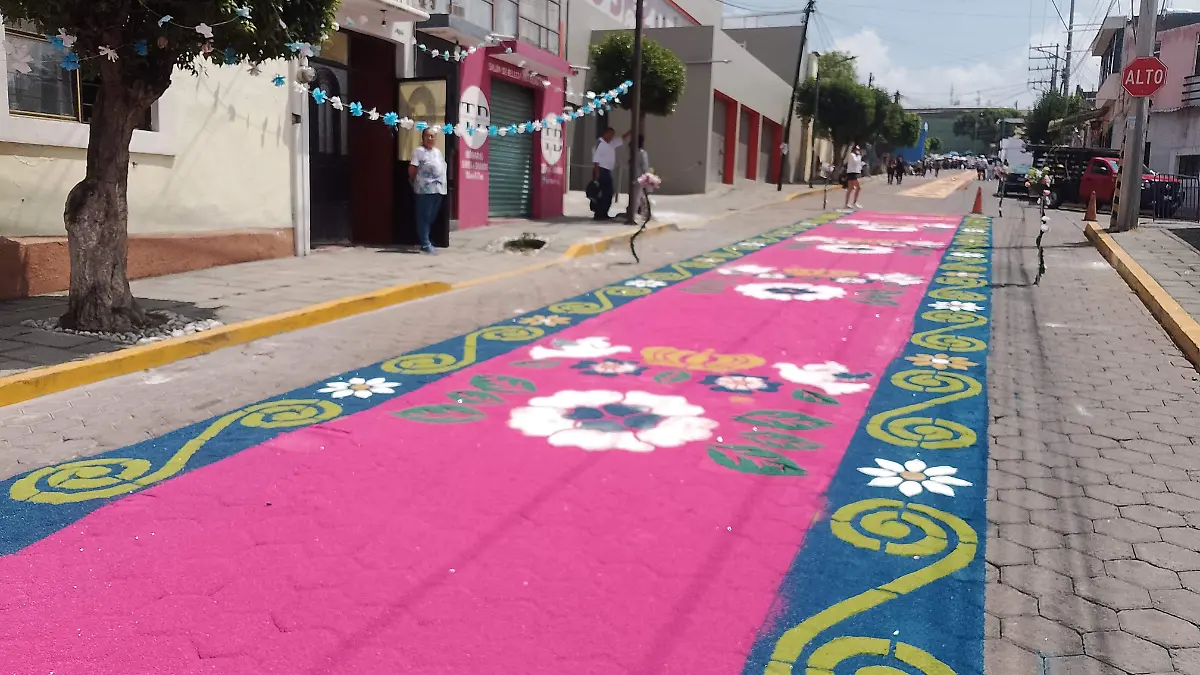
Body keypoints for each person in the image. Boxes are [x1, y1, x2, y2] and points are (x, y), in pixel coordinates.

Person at [409, 128, 447, 254]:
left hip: (438, 189)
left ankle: (426, 239)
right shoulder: (419, 151)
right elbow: (412, 169)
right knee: (424, 216)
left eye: (432, 136)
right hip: (424, 189)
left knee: (431, 216)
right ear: (423, 137)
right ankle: (425, 244)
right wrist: (415, 182)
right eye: (427, 136)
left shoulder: (437, 152)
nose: (430, 138)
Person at [592, 126, 632, 220]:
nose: (611, 137)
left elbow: (621, 138)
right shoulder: (600, 143)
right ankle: (599, 213)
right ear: (605, 133)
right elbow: (596, 160)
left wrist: (630, 131)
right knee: (604, 193)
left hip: (608, 170)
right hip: (602, 170)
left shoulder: (610, 144)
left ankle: (604, 212)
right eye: (610, 134)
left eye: (612, 135)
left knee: (608, 193)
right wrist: (596, 173)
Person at [843, 144, 864, 210]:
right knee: (858, 188)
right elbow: (855, 162)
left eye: (858, 149)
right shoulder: (852, 155)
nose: (857, 151)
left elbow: (858, 164)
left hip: (855, 172)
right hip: (852, 173)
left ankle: (848, 204)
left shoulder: (856, 156)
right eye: (856, 149)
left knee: (850, 188)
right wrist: (860, 156)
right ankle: (853, 203)